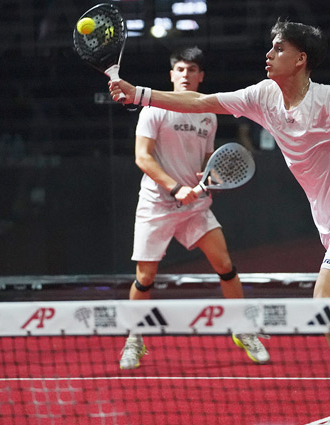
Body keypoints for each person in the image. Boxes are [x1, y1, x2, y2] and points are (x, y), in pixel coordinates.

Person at [110, 21, 330, 425]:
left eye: (278, 49)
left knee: (326, 304)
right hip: (329, 220)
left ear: (300, 59)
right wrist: (139, 94)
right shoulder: (263, 96)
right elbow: (203, 103)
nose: (269, 54)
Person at [119, 46, 270, 370]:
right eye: (180, 70)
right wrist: (175, 187)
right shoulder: (153, 109)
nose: (186, 75)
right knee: (145, 277)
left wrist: (206, 174)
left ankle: (243, 329)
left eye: (192, 70)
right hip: (157, 203)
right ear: (171, 75)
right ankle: (134, 339)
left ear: (201, 77)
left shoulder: (208, 115)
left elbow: (205, 158)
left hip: (195, 206)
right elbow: (142, 157)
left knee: (225, 264)